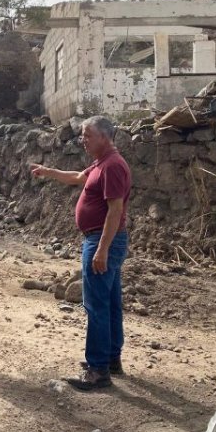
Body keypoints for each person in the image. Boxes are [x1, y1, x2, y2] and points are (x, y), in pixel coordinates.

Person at [30, 116, 131, 392]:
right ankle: (110, 360)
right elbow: (76, 177)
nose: (82, 140)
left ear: (105, 137)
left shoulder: (112, 166)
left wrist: (102, 248)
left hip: (102, 240)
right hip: (101, 239)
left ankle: (98, 369)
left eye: (87, 135)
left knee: (97, 305)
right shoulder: (102, 163)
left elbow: (115, 210)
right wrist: (47, 171)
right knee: (109, 303)